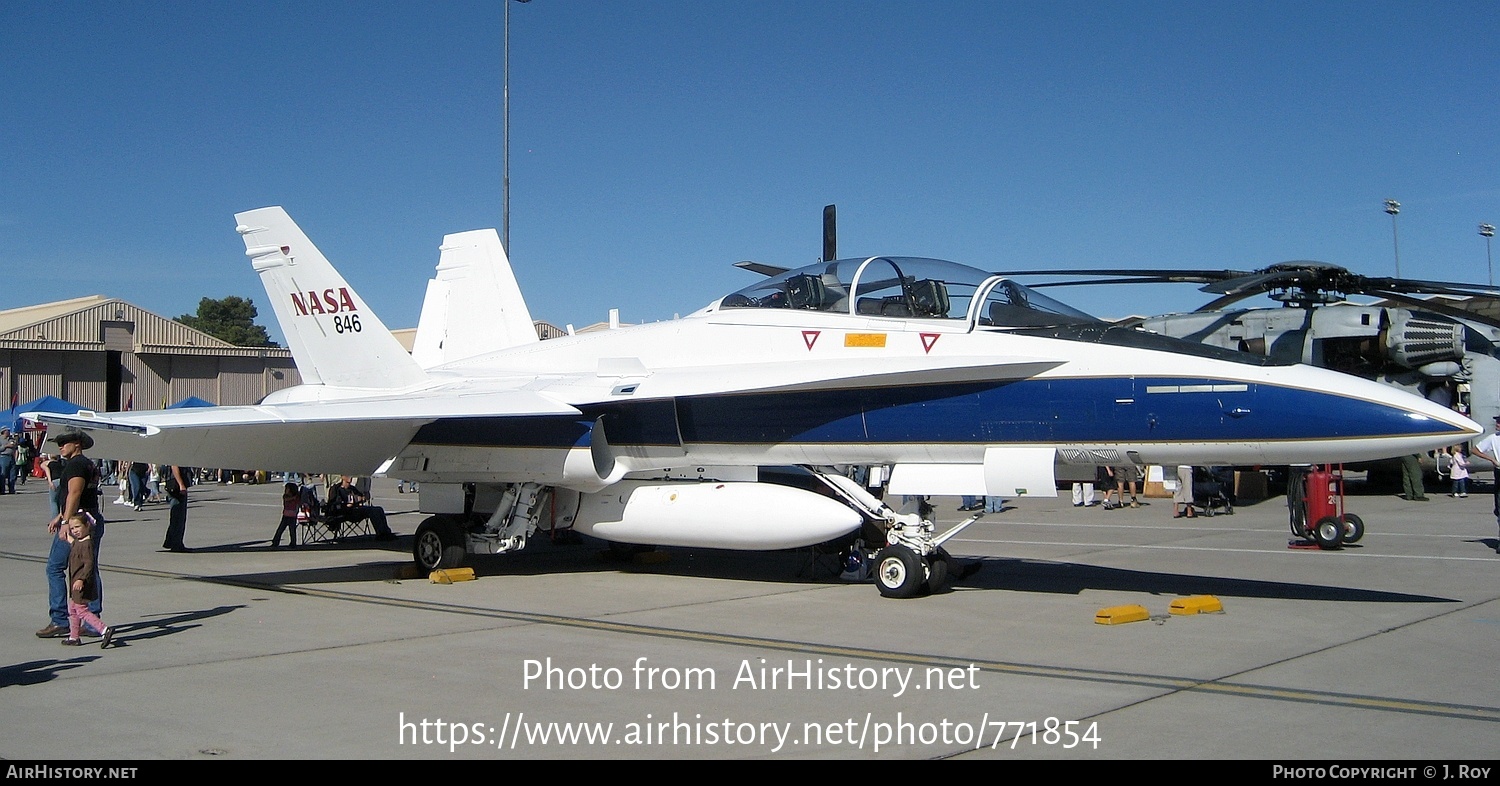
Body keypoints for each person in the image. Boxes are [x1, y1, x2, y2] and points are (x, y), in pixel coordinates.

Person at [38, 431, 105, 639]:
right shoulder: (88, 464)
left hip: (78, 525)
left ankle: (59, 619)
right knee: (88, 568)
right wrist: (60, 515)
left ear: (77, 444)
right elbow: (79, 496)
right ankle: (93, 620)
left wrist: (66, 522)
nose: (60, 446)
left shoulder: (76, 465)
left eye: (64, 442)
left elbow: (75, 493)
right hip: (90, 520)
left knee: (55, 567)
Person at [61, 514, 114, 648]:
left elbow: (89, 564)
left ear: (87, 526)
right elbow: (74, 544)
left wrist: (81, 579)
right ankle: (74, 636)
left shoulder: (87, 544)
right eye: (72, 528)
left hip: (81, 583)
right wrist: (67, 536)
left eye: (78, 527)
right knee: (72, 609)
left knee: (81, 610)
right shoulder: (79, 542)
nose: (75, 530)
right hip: (75, 583)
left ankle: (104, 629)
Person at [1467, 415, 1500, 552]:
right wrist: (1492, 459)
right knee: (1499, 508)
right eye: (1497, 422)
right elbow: (1475, 449)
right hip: (1499, 472)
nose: (1497, 424)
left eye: (1499, 422)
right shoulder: (1493, 438)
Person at [326, 475, 396, 539]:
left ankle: (386, 531)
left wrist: (362, 498)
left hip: (356, 510)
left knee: (379, 509)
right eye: (347, 475)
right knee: (372, 511)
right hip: (345, 513)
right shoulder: (337, 489)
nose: (350, 477)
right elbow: (335, 505)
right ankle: (380, 533)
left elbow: (362, 497)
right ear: (342, 477)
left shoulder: (352, 488)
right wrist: (348, 505)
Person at [162, 465, 190, 552]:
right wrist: (181, 484)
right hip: (176, 487)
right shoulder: (178, 456)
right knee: (178, 517)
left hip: (175, 485)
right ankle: (176, 544)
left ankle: (170, 541)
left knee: (176, 517)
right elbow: (174, 466)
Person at [271, 482, 300, 548]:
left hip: (293, 516)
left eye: (287, 489)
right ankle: (275, 542)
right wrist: (293, 498)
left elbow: (298, 503)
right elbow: (286, 499)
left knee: (292, 530)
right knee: (280, 530)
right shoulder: (285, 496)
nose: (286, 490)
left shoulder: (297, 497)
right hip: (286, 516)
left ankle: (293, 543)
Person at [0, 427, 17, 494]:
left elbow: (15, 446)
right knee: (3, 474)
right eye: (7, 431)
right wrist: (6, 446)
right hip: (3, 457)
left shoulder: (11, 439)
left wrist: (14, 445)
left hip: (11, 457)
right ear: (4, 431)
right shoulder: (1, 439)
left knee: (12, 474)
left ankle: (12, 489)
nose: (9, 432)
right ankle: (2, 490)